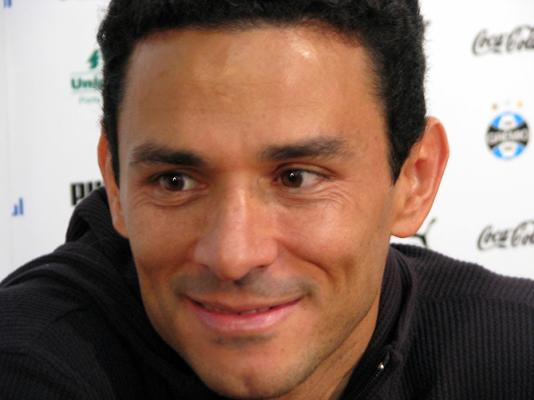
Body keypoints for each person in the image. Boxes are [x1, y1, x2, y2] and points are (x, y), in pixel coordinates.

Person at [1, 1, 533, 399]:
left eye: (296, 178)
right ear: (115, 185)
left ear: (415, 179)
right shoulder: (28, 363)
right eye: (175, 181)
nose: (233, 256)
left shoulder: (514, 353)